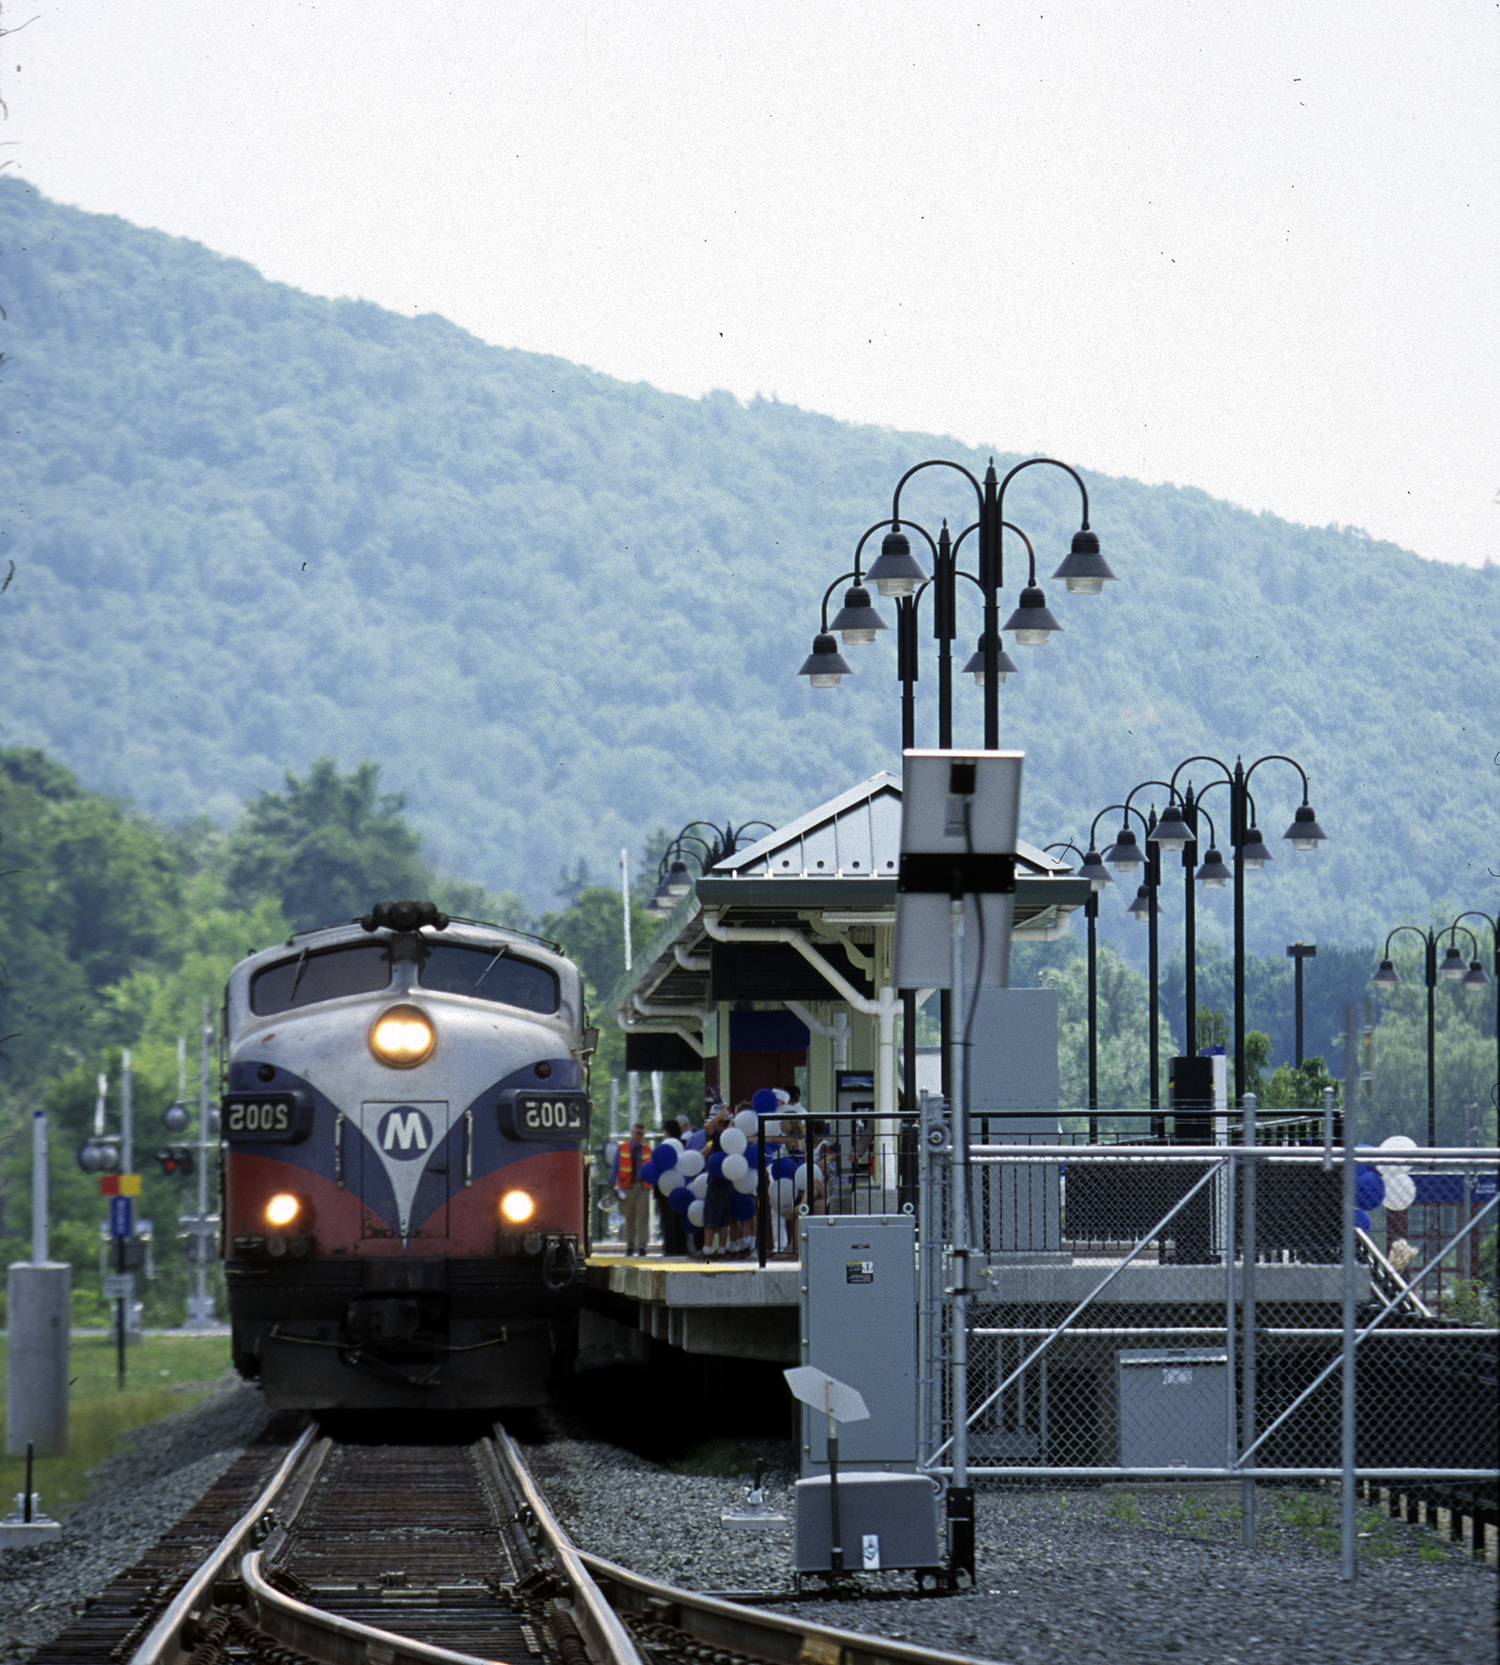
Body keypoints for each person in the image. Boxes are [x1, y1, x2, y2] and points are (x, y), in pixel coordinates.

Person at [611, 1121, 653, 1256]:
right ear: (632, 1133)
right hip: (627, 1186)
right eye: (637, 1133)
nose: (639, 1136)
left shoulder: (647, 1149)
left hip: (642, 1186)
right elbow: (615, 1167)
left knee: (642, 1217)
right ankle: (630, 1246)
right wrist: (612, 1184)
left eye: (641, 1134)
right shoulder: (622, 1148)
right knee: (629, 1218)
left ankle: (642, 1247)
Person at [656, 1118, 689, 1256]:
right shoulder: (686, 1144)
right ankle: (682, 1247)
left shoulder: (663, 1146)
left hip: (665, 1187)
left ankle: (669, 1248)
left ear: (667, 1132)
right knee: (681, 1218)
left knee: (667, 1219)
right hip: (682, 1186)